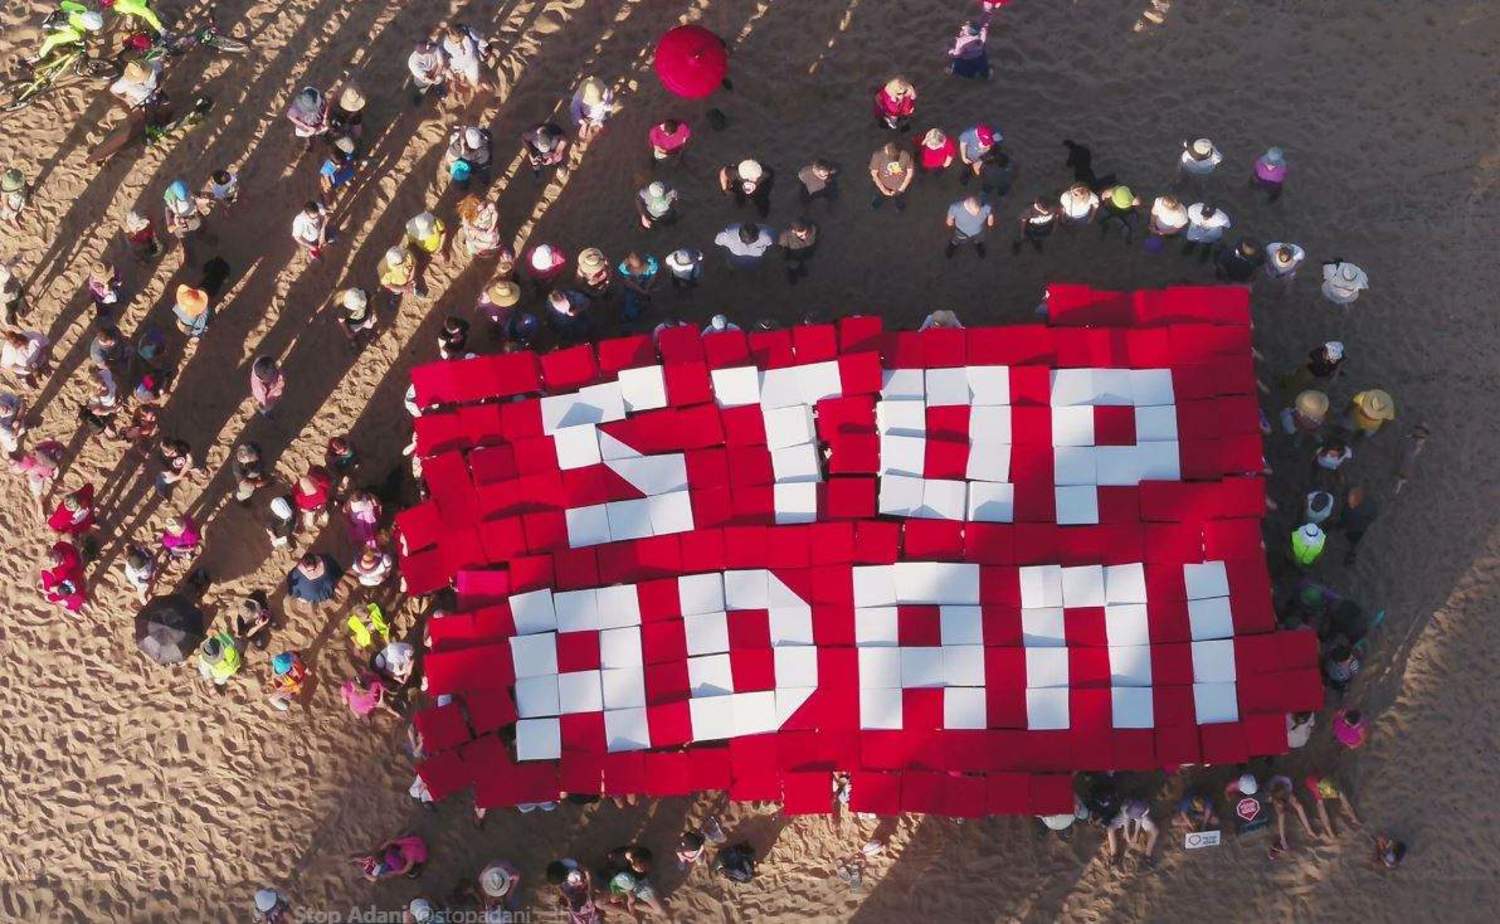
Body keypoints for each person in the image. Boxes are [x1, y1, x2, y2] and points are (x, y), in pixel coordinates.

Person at [605, 845, 667, 915]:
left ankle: (635, 905)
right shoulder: (628, 859)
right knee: (614, 899)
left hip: (641, 884)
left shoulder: (644, 855)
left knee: (661, 910)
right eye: (639, 868)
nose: (642, 869)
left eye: (644, 866)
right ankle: (633, 904)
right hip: (630, 883)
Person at [1266, 774, 1317, 858]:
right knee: (1281, 814)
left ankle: (1308, 830)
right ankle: (1282, 840)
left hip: (1282, 789)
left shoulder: (1287, 787)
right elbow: (1280, 813)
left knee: (1299, 806)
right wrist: (1282, 839)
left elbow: (1297, 804)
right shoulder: (1271, 791)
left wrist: (1309, 829)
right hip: (1275, 790)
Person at [11, 439, 63, 518]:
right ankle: (55, 481)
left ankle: (40, 505)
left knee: (37, 492)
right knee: (51, 475)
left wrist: (15, 467)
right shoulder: (39, 448)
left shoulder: (26, 463)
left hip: (41, 472)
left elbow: (17, 470)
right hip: (54, 463)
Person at [441, 24, 488, 106]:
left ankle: (477, 87)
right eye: (456, 42)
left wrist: (484, 50)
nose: (459, 43)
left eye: (460, 40)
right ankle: (462, 81)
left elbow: (480, 43)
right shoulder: (446, 43)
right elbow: (446, 56)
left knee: (475, 81)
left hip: (470, 63)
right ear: (449, 37)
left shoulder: (468, 36)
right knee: (453, 78)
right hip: (456, 63)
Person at [352, 834, 427, 881]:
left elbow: (405, 869)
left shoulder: (410, 856)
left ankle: (356, 862)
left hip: (419, 854)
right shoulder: (396, 849)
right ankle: (360, 868)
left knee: (410, 870)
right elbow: (390, 841)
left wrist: (394, 873)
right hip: (416, 842)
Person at [1105, 800, 1159, 865]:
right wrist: (1127, 834)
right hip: (1126, 815)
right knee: (1110, 829)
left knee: (1155, 831)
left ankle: (1147, 856)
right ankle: (1114, 855)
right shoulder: (1125, 807)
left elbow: (1139, 819)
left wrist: (1136, 834)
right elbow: (1126, 821)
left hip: (1140, 816)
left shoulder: (1145, 809)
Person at [41, 540, 87, 613]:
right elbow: (48, 588)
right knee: (75, 599)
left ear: (53, 551)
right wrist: (57, 589)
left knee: (81, 589)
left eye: (52, 555)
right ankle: (70, 607)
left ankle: (81, 599)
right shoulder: (49, 574)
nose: (52, 561)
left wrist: (80, 560)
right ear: (49, 566)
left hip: (76, 574)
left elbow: (73, 549)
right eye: (50, 563)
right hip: (65, 586)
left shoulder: (61, 546)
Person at [868, 142, 914, 210]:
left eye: (886, 149)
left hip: (891, 184)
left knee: (897, 196)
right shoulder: (905, 155)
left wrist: (900, 189)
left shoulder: (878, 156)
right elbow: (909, 174)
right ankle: (897, 204)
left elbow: (874, 174)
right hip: (891, 185)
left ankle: (897, 204)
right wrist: (901, 188)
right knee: (885, 194)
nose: (885, 148)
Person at [617, 252, 660, 321]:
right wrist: (642, 291)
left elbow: (653, 276)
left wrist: (647, 287)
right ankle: (631, 314)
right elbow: (628, 283)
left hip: (646, 281)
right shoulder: (623, 268)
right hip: (633, 285)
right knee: (629, 298)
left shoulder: (652, 263)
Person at [571, 76, 616, 142]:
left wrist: (581, 121)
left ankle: (596, 126)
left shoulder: (579, 95)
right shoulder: (603, 96)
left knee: (598, 119)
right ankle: (589, 126)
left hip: (593, 116)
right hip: (589, 115)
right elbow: (575, 109)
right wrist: (581, 121)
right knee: (578, 120)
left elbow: (574, 108)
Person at [317, 139, 358, 206]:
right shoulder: (325, 177)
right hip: (341, 154)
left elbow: (350, 171)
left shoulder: (333, 181)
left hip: (349, 156)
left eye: (330, 199)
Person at [407, 39, 447, 104]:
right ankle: (422, 90)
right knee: (420, 84)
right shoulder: (413, 63)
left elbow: (441, 63)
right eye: (427, 48)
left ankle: (438, 88)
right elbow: (426, 78)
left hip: (435, 69)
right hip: (423, 77)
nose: (429, 47)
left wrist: (436, 77)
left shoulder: (433, 46)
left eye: (427, 45)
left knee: (439, 78)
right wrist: (433, 80)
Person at [778, 220, 818, 284]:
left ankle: (801, 270)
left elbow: (815, 240)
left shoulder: (812, 229)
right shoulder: (785, 237)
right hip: (792, 258)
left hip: (803, 255)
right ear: (794, 231)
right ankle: (792, 274)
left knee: (801, 264)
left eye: (806, 233)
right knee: (792, 267)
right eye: (801, 235)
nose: (805, 237)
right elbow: (782, 251)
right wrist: (787, 259)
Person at [0, 259, 23, 327]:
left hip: (6, 294)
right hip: (7, 294)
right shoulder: (4, 271)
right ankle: (10, 319)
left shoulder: (4, 270)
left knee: (7, 309)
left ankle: (9, 320)